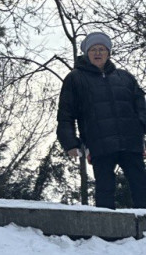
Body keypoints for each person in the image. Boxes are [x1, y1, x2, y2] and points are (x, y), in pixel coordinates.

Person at [57, 31, 146, 209]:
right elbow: (65, 114)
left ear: (108, 53)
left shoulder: (124, 77)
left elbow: (141, 106)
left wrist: (141, 132)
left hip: (130, 142)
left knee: (141, 185)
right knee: (105, 188)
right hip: (99, 144)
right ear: (87, 54)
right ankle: (107, 233)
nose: (98, 53)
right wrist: (70, 143)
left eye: (102, 49)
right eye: (93, 50)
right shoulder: (76, 78)